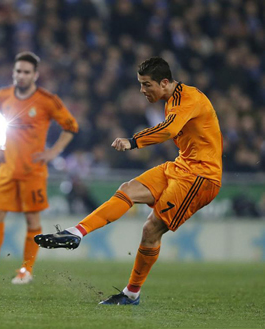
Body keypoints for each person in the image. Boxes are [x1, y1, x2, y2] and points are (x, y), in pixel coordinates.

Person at [35, 57, 222, 304]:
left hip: (201, 176)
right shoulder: (173, 99)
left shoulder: (188, 99)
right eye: (140, 84)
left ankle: (131, 294)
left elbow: (169, 130)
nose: (142, 91)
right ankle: (76, 232)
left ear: (164, 82)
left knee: (151, 229)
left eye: (146, 85)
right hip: (181, 166)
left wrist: (133, 141)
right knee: (128, 189)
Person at [0, 52, 79, 284]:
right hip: (7, 168)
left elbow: (71, 126)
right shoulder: (3, 95)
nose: (21, 75)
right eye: (18, 71)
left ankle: (26, 271)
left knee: (32, 221)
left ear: (35, 75)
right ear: (13, 73)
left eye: (27, 72)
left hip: (33, 171)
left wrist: (53, 152)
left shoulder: (47, 100)